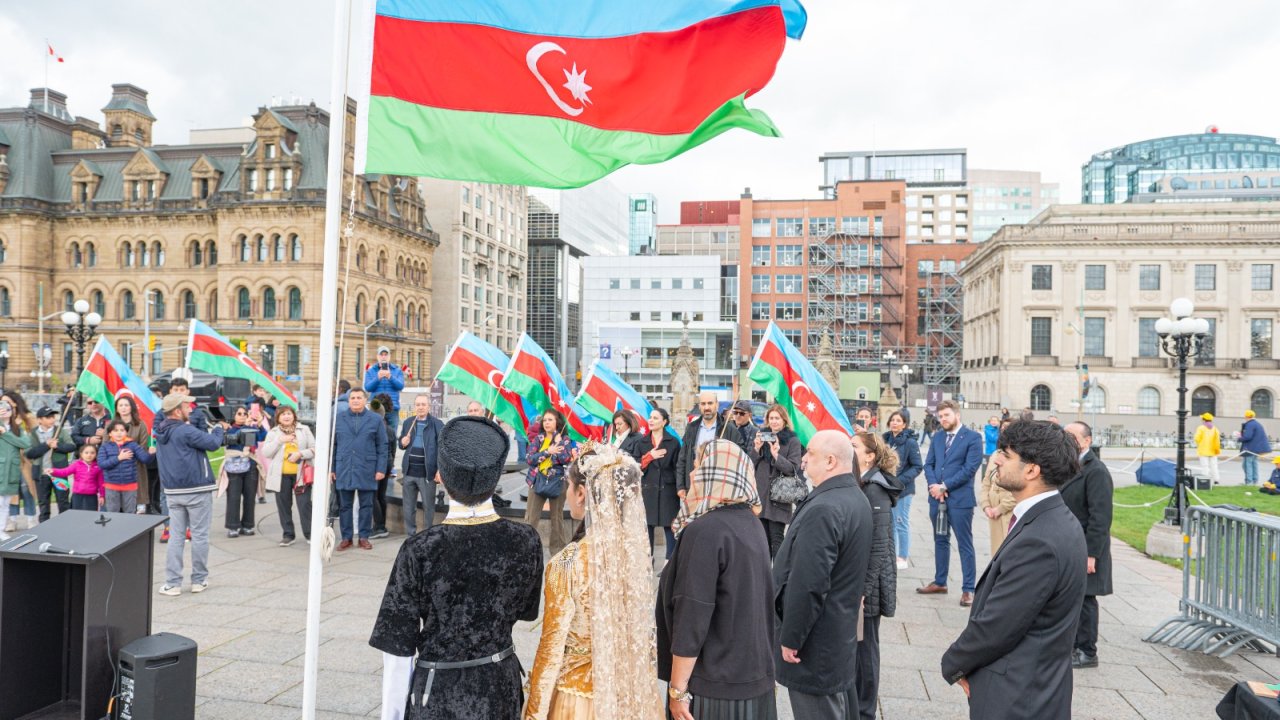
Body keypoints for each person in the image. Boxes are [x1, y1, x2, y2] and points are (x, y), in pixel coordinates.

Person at [371, 415, 543, 720]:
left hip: (438, 692)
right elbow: (527, 610)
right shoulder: (526, 539)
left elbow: (398, 648)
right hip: (499, 685)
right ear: (496, 475)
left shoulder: (420, 548)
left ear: (442, 476)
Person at [941, 421, 1087, 720]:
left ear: (1031, 470)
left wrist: (953, 663)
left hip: (1018, 696)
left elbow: (1000, 623)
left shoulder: (1041, 538)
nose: (995, 459)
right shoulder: (1051, 517)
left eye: (1005, 455)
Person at [524, 444, 661, 720]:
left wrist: (534, 710)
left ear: (582, 493)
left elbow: (551, 648)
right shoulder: (634, 555)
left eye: (569, 487)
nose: (568, 494)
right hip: (629, 692)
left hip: (578, 698)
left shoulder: (568, 562)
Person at [658, 440, 776, 720]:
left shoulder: (705, 531)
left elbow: (692, 614)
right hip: (751, 680)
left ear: (714, 472)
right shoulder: (751, 523)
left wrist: (677, 691)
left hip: (713, 689)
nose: (692, 474)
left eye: (699, 466)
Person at [772, 430, 872, 719]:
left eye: (810, 453)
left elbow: (809, 583)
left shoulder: (825, 507)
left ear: (830, 461)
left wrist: (791, 637)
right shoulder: (853, 496)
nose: (803, 460)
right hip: (835, 636)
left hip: (815, 644)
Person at [154, 393, 226, 595]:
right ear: (177, 410)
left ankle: (173, 583)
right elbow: (213, 443)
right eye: (187, 406)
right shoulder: (185, 430)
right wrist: (219, 428)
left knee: (176, 537)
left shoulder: (160, 431)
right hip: (196, 489)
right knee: (200, 535)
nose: (191, 409)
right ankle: (199, 580)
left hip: (173, 491)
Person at [852, 431, 902, 720]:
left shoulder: (875, 488)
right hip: (862, 580)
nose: (850, 450)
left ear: (870, 455)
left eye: (854, 447)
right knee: (859, 648)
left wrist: (863, 589)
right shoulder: (862, 482)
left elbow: (880, 545)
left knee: (867, 648)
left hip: (870, 583)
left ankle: (865, 711)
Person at [918, 400, 984, 607]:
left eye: (946, 415)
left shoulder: (973, 438)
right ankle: (940, 582)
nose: (943, 419)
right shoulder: (938, 437)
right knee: (940, 540)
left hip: (959, 499)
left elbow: (970, 468)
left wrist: (944, 487)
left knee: (964, 543)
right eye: (940, 416)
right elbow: (928, 464)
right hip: (935, 498)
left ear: (957, 415)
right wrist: (933, 486)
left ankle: (968, 589)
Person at [1061, 422, 1114, 670]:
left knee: (1085, 600)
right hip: (1068, 544)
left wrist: (1092, 554)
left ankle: (1087, 651)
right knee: (1071, 598)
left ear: (1086, 441)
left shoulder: (1097, 471)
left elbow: (1100, 517)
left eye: (1072, 436)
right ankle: (1070, 647)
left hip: (1086, 547)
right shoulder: (1068, 466)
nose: (1067, 439)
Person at [332, 388, 388, 550]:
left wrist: (380, 469)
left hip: (367, 467)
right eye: (352, 398)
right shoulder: (339, 418)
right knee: (345, 505)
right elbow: (333, 445)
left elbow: (382, 446)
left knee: (366, 504)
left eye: (359, 398)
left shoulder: (375, 419)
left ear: (365, 400)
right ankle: (346, 537)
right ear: (349, 401)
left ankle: (364, 536)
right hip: (345, 467)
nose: (355, 400)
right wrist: (332, 468)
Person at [748, 403, 803, 558]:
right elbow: (749, 466)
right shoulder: (761, 436)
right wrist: (757, 449)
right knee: (761, 540)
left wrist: (776, 455)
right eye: (771, 418)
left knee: (777, 539)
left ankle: (777, 578)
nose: (774, 422)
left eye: (777, 418)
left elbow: (793, 469)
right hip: (761, 495)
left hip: (780, 497)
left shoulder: (793, 440)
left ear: (784, 420)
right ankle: (763, 575)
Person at [262, 406, 316, 546]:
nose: (286, 416)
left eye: (289, 414)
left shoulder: (304, 429)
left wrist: (301, 454)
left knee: (304, 504)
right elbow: (266, 453)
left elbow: (314, 448)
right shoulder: (273, 433)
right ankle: (288, 534)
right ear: (278, 418)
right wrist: (279, 441)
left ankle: (309, 533)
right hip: (281, 476)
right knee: (284, 505)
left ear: (293, 415)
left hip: (301, 475)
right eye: (283, 414)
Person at [525, 410, 576, 555]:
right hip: (537, 480)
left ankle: (558, 551)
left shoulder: (565, 439)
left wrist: (558, 446)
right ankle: (528, 549)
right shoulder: (538, 439)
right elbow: (530, 458)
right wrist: (548, 451)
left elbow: (566, 459)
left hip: (558, 482)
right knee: (531, 518)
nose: (547, 422)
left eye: (550, 420)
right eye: (545, 420)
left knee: (557, 519)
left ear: (557, 422)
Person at [675, 392, 743, 496]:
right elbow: (682, 458)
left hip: (719, 489)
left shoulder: (729, 430)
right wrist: (680, 487)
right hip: (694, 487)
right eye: (703, 404)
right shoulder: (691, 428)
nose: (706, 407)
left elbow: (739, 458)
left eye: (710, 403)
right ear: (699, 406)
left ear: (717, 404)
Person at [398, 394, 444, 537]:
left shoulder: (437, 424)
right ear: (414, 407)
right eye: (418, 404)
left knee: (428, 507)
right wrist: (402, 442)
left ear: (429, 406)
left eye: (423, 404)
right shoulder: (408, 423)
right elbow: (402, 443)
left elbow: (443, 448)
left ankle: (426, 535)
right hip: (409, 471)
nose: (421, 407)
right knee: (408, 507)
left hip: (427, 473)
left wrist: (440, 470)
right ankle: (411, 535)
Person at [639, 408, 680, 560]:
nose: (651, 420)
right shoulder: (641, 442)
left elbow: (678, 467)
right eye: (650, 417)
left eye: (655, 418)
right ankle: (648, 561)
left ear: (664, 422)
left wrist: (680, 489)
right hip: (647, 489)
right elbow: (634, 465)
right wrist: (649, 456)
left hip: (668, 489)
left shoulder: (673, 442)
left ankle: (669, 562)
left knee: (669, 526)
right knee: (647, 527)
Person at [884, 411, 922, 571]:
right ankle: (891, 555)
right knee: (890, 523)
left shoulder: (910, 443)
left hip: (903, 490)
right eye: (892, 420)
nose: (894, 423)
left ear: (904, 424)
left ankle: (902, 556)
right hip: (886, 488)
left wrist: (899, 481)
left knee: (901, 523)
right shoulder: (885, 439)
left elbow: (917, 466)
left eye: (898, 420)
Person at [26, 407, 76, 522]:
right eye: (48, 417)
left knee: (63, 501)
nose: (52, 419)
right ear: (39, 420)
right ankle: (44, 527)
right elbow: (30, 453)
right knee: (43, 503)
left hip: (59, 472)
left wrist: (57, 446)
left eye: (53, 417)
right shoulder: (33, 434)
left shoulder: (60, 431)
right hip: (41, 474)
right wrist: (46, 445)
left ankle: (65, 525)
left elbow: (72, 446)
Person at [219, 407, 260, 538]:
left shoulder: (253, 427)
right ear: (233, 416)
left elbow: (263, 436)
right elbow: (222, 441)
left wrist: (258, 424)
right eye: (239, 413)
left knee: (250, 497)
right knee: (233, 497)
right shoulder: (229, 429)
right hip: (234, 466)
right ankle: (233, 526)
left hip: (250, 464)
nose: (242, 416)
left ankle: (248, 525)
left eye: (245, 414)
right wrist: (245, 428)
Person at [0, 393, 35, 538]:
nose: (4, 409)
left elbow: (26, 443)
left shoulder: (16, 429)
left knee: (6, 502)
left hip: (12, 470)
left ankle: (1, 529)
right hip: (1, 469)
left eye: (7, 407)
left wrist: (6, 434)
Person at [98, 419, 152, 514]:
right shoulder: (105, 447)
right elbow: (102, 464)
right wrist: (119, 458)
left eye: (122, 430)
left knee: (129, 514)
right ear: (110, 433)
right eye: (115, 430)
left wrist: (151, 453)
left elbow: (145, 459)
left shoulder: (133, 445)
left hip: (130, 486)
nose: (119, 433)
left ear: (126, 432)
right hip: (111, 485)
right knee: (112, 514)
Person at [114, 396, 154, 514]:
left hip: (136, 466)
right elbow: (106, 445)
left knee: (138, 503)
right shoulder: (111, 425)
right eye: (120, 405)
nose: (123, 408)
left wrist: (128, 454)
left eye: (126, 405)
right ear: (116, 408)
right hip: (116, 467)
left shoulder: (140, 424)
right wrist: (119, 456)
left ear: (131, 407)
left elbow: (143, 445)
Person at [978, 444, 1017, 555]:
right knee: (996, 552)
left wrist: (1000, 508)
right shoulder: (996, 454)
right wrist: (986, 505)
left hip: (1009, 512)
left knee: (1009, 552)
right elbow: (986, 482)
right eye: (1003, 427)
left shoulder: (1021, 454)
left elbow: (1020, 487)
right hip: (993, 512)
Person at [370, 392, 398, 539]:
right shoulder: (390, 428)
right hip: (387, 463)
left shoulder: (375, 426)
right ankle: (382, 525)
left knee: (372, 496)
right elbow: (393, 449)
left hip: (376, 465)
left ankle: (379, 526)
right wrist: (390, 463)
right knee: (382, 496)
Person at [48, 444, 104, 512]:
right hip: (77, 496)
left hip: (92, 497)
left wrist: (102, 496)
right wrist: (53, 471)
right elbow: (65, 472)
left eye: (92, 453)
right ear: (81, 454)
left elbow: (101, 483)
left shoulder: (98, 467)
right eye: (86, 453)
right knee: (76, 516)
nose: (89, 455)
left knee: (90, 516)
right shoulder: (76, 465)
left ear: (96, 454)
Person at [364, 346, 406, 413]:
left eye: (386, 355)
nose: (383, 357)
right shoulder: (370, 371)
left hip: (392, 408)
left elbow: (400, 386)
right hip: (376, 408)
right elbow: (367, 388)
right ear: (377, 356)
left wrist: (390, 377)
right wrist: (378, 378)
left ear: (389, 356)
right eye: (381, 355)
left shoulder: (397, 370)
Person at [1239, 409, 1270, 486]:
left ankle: (1249, 482)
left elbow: (1247, 436)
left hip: (1250, 448)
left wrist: (1239, 438)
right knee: (1254, 464)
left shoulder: (1250, 424)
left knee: (1247, 465)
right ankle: (1255, 481)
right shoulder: (1257, 424)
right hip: (1256, 449)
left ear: (1247, 417)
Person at [1193, 413, 1222, 485]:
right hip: (1213, 450)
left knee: (1205, 466)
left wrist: (1198, 443)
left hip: (1203, 450)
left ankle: (1205, 480)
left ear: (1204, 420)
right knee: (1214, 466)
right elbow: (1218, 439)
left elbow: (1196, 438)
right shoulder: (1215, 428)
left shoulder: (1201, 428)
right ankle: (1216, 480)